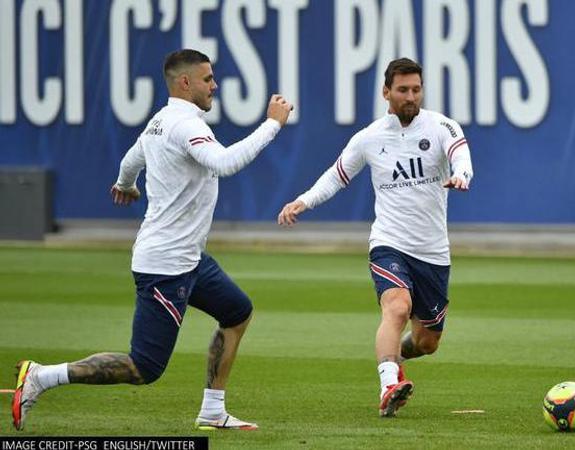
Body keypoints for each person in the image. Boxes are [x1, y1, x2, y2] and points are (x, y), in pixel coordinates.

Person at [12, 49, 293, 431]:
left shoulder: (160, 122)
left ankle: (212, 410)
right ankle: (42, 376)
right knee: (144, 367)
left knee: (237, 312)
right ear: (185, 82)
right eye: (208, 79)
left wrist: (126, 185)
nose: (215, 85)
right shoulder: (182, 125)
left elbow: (131, 159)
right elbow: (225, 164)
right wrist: (272, 125)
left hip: (189, 258)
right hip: (166, 266)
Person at [277, 57, 473, 417]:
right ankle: (389, 383)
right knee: (396, 306)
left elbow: (461, 156)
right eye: (403, 90)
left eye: (416, 89)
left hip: (432, 252)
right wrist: (302, 201)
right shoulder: (369, 138)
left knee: (428, 342)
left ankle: (393, 352)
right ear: (386, 92)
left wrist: (461, 175)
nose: (411, 96)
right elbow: (336, 176)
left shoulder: (442, 126)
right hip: (389, 242)